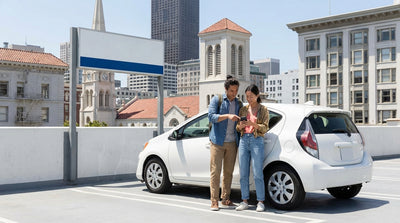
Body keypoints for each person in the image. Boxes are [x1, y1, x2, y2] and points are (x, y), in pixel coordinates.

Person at [208, 75, 242, 211]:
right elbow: (211, 117)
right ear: (226, 89)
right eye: (232, 90)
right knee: (215, 172)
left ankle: (225, 199)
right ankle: (214, 201)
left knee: (228, 173)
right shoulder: (218, 99)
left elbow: (240, 121)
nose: (234, 93)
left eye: (236, 90)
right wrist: (227, 116)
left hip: (232, 142)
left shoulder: (239, 104)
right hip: (217, 142)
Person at [235, 84, 269, 212]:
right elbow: (238, 128)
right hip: (244, 140)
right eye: (247, 96)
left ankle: (260, 201)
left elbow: (265, 127)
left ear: (257, 95)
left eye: (252, 96)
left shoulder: (263, 109)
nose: (249, 99)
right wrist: (242, 125)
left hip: (256, 140)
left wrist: (252, 124)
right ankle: (244, 201)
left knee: (257, 172)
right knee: (243, 172)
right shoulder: (243, 109)